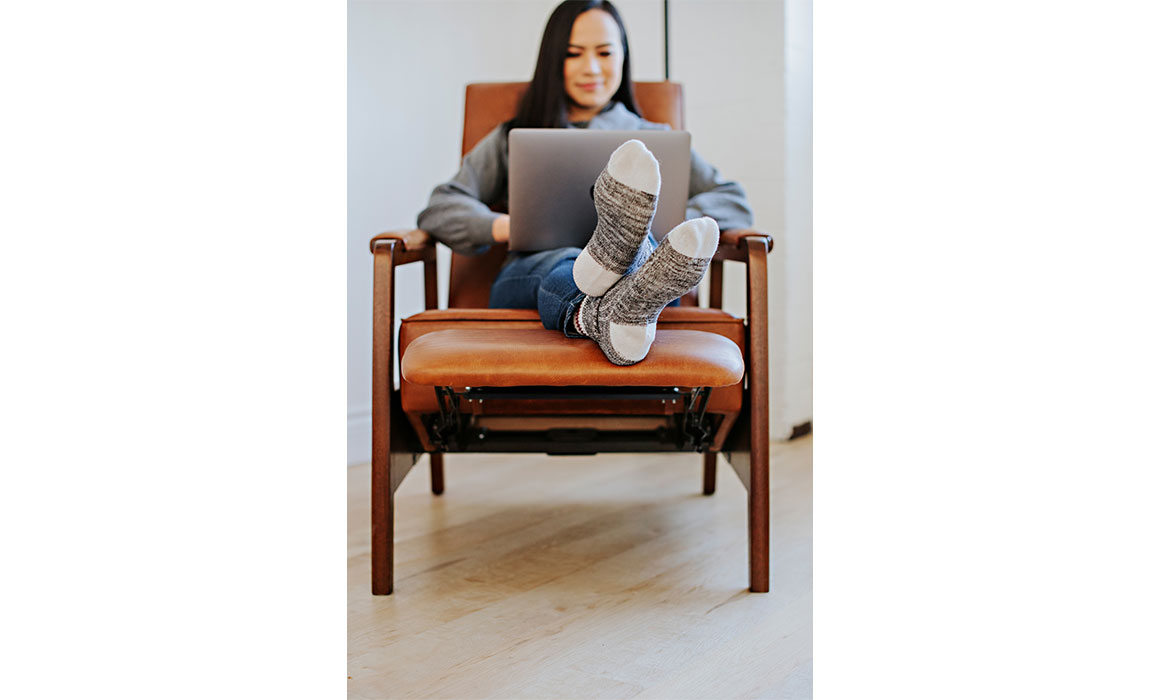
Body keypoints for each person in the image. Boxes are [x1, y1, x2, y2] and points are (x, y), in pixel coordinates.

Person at [418, 0, 753, 366]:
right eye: (574, 54)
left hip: (639, 269)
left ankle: (607, 293)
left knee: (647, 263)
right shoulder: (515, 135)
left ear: (623, 56)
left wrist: (661, 220)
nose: (591, 68)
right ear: (552, 60)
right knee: (565, 261)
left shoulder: (654, 139)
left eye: (605, 52)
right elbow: (440, 207)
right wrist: (506, 226)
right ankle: (625, 300)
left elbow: (734, 201)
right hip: (536, 271)